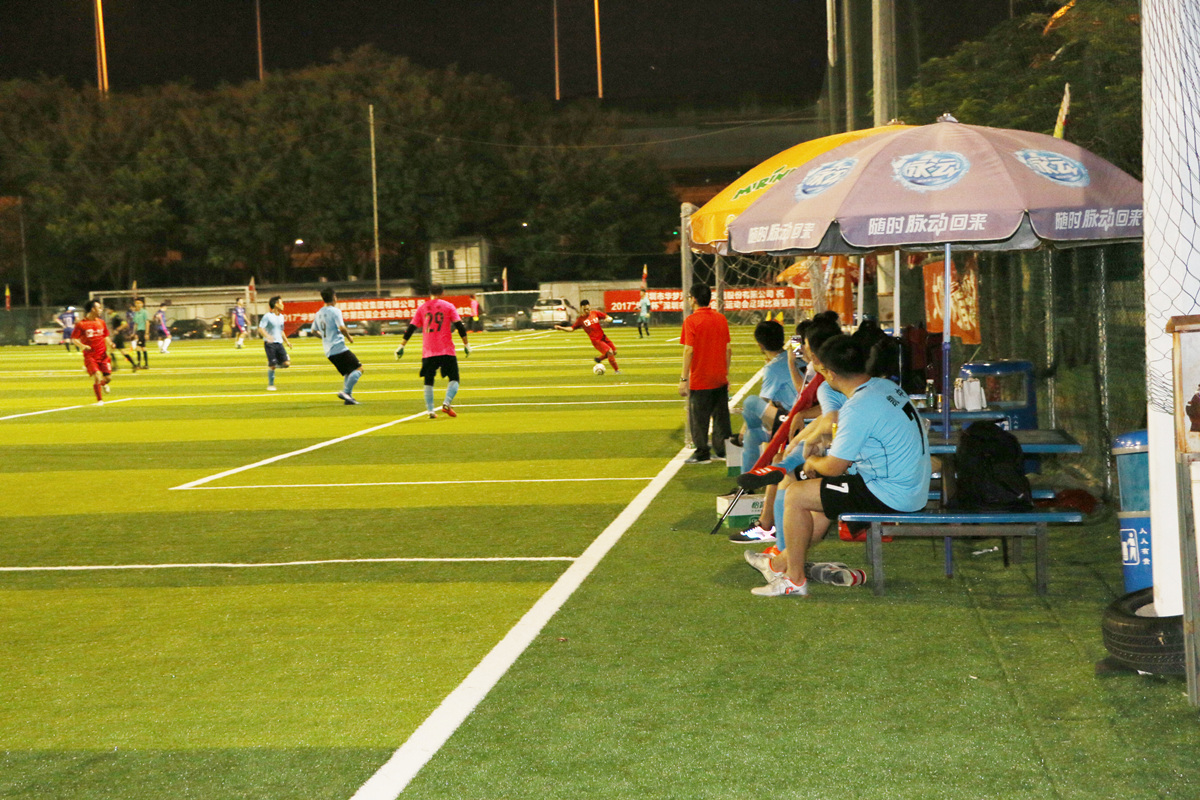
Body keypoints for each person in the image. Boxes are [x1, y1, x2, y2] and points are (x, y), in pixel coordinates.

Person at [740, 335, 931, 597]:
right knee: (820, 507)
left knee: (796, 494)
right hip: (910, 486)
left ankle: (794, 580)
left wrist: (812, 461)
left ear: (830, 373)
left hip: (890, 492)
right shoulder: (885, 387)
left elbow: (833, 468)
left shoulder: (858, 405)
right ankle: (778, 564)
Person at [395, 283, 470, 418]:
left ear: (430, 292)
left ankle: (430, 411)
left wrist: (402, 345)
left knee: (428, 380)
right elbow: (460, 326)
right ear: (442, 292)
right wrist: (466, 344)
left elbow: (411, 328)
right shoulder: (448, 306)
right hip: (446, 350)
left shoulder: (423, 308)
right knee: (454, 378)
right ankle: (446, 403)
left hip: (429, 351)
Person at [736, 320, 798, 476]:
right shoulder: (797, 356)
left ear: (760, 345)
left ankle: (747, 480)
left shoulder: (773, 367)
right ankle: (748, 479)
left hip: (793, 419)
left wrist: (742, 430)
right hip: (800, 415)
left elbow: (762, 401)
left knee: (751, 404)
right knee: (753, 434)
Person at [679, 283, 731, 465]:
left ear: (694, 299)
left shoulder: (691, 321)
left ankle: (702, 452)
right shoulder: (721, 319)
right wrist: (725, 372)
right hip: (719, 377)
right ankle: (722, 450)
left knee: (699, 419)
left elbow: (688, 350)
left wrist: (683, 379)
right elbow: (728, 349)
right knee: (721, 418)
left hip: (700, 379)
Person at [312, 288, 363, 405]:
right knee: (359, 369)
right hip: (338, 347)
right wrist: (349, 337)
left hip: (328, 351)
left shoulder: (318, 313)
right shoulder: (335, 311)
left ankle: (348, 398)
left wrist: (325, 338)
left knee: (348, 372)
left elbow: (313, 331)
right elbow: (342, 328)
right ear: (334, 297)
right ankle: (345, 392)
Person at [555, 299, 620, 373]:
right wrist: (561, 328)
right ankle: (616, 371)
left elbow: (606, 316)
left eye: (588, 309)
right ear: (581, 309)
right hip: (596, 341)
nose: (587, 310)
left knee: (614, 351)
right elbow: (572, 328)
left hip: (603, 337)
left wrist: (609, 319)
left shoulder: (595, 313)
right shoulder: (580, 320)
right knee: (610, 352)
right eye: (585, 309)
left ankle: (599, 359)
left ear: (590, 307)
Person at [71, 300, 113, 403]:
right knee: (97, 376)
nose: (101, 310)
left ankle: (103, 383)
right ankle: (100, 401)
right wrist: (82, 346)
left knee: (108, 378)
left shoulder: (101, 322)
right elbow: (74, 339)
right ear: (93, 309)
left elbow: (105, 336)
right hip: (91, 356)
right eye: (99, 308)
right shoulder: (81, 324)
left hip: (103, 355)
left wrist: (110, 344)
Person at [258, 295, 292, 391]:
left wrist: (287, 341)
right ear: (276, 304)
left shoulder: (281, 317)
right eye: (281, 303)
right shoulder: (267, 316)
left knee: (286, 363)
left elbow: (281, 331)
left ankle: (273, 363)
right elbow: (260, 328)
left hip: (279, 343)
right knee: (272, 366)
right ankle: (271, 385)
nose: (283, 305)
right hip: (270, 344)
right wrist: (267, 336)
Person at [131, 297, 150, 368]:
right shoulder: (136, 313)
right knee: (141, 347)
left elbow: (147, 322)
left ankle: (141, 364)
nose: (137, 304)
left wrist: (146, 333)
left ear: (142, 304)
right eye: (136, 303)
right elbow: (136, 323)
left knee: (139, 347)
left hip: (143, 331)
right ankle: (144, 364)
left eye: (139, 303)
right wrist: (134, 332)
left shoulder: (144, 312)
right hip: (138, 331)